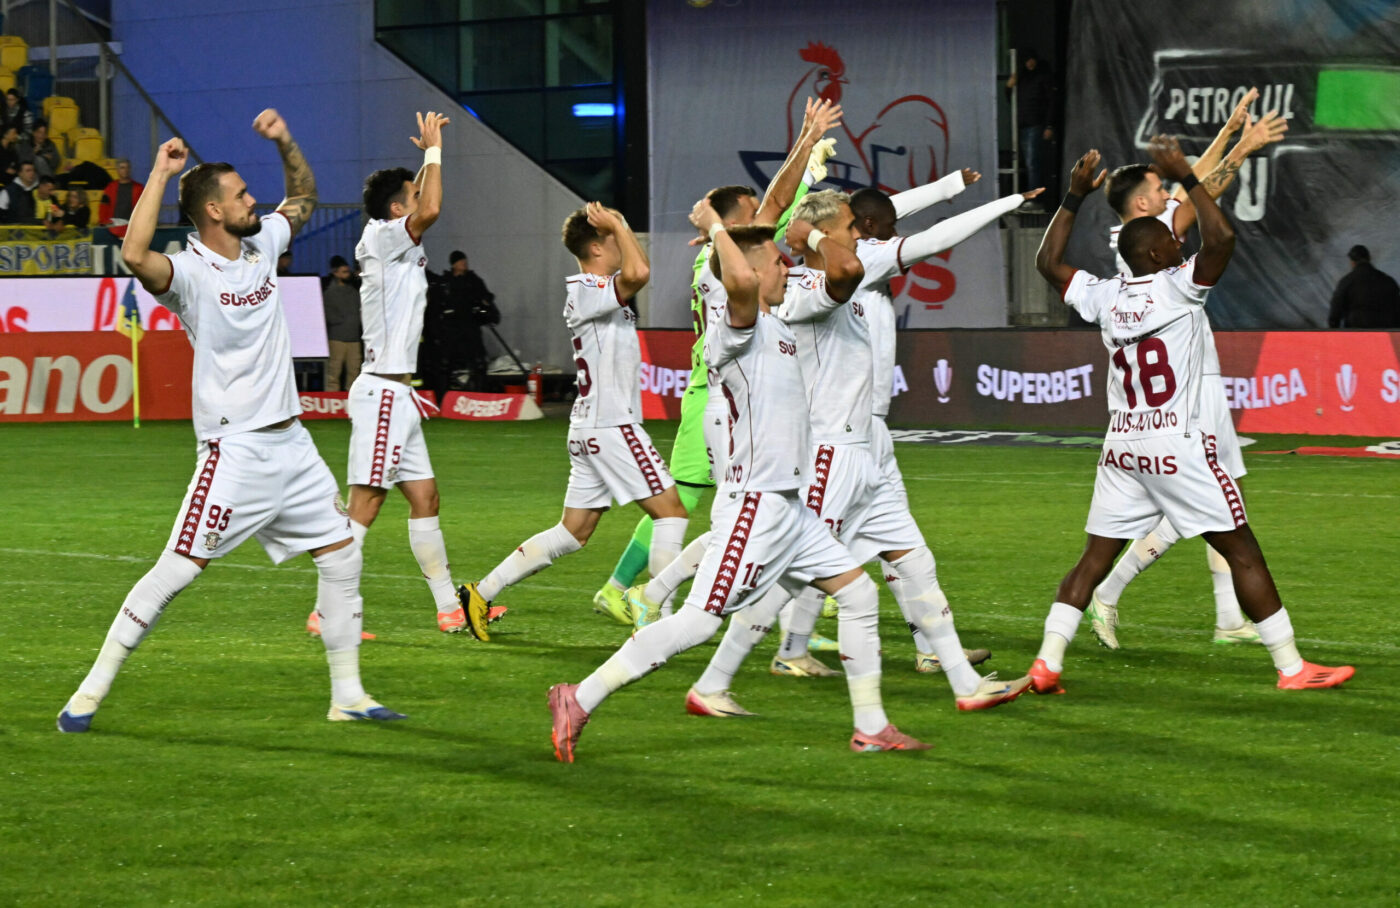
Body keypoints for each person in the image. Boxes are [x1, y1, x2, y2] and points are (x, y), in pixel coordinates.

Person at [57, 110, 405, 732]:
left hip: (292, 443)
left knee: (342, 554)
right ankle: (88, 692)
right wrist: (161, 173)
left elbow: (303, 197)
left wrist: (285, 140)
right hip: (234, 450)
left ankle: (349, 695)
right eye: (241, 195)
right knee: (177, 569)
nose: (253, 201)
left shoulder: (261, 243)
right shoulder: (188, 272)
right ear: (213, 211)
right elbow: (133, 252)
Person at [548, 209, 930, 763]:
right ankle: (579, 697)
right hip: (755, 505)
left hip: (790, 507)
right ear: (747, 273)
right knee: (697, 622)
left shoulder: (776, 321)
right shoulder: (735, 325)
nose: (787, 267)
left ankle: (872, 726)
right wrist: (718, 229)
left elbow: (783, 271)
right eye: (776, 262)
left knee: (858, 593)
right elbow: (744, 282)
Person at [684, 188, 1033, 720]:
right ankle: (717, 678)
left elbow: (857, 250)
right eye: (850, 227)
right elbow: (847, 264)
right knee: (787, 576)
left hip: (866, 450)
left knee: (914, 561)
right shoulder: (803, 288)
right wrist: (813, 236)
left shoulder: (830, 274)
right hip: (830, 452)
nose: (859, 236)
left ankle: (966, 685)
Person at [1026, 140, 1354, 696]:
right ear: (1156, 254)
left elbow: (1047, 263)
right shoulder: (1179, 289)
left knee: (1093, 560)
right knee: (1242, 550)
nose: (1180, 246)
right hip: (1176, 442)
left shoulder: (1104, 296)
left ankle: (1047, 663)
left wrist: (1074, 195)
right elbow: (1221, 239)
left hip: (1121, 446)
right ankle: (1292, 667)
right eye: (1172, 243)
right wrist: (1190, 179)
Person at [595, 97, 842, 629]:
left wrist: (805, 157)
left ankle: (789, 601)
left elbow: (779, 204)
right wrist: (805, 140)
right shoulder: (721, 257)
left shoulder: (725, 251)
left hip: (730, 392)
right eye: (751, 215)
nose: (762, 220)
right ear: (732, 222)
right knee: (692, 504)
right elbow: (778, 205)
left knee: (748, 503)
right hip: (717, 395)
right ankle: (641, 596)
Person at [1088, 88, 1288, 650]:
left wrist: (1229, 129)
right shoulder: (1145, 240)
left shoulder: (1143, 233)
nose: (1167, 191)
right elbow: (1202, 192)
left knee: (1223, 493)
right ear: (1142, 205)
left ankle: (1227, 618)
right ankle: (1110, 591)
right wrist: (1245, 146)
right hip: (1186, 387)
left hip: (1192, 372)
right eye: (1158, 189)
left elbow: (1192, 184)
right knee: (1208, 499)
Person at [457, 202, 689, 641]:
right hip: (611, 425)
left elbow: (636, 272)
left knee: (573, 532)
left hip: (591, 426)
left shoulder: (598, 289)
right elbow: (640, 272)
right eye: (614, 239)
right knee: (671, 513)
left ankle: (480, 593)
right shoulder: (588, 287)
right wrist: (618, 222)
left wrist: (617, 227)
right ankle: (661, 618)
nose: (623, 244)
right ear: (597, 247)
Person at [306, 111, 472, 636]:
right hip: (381, 392)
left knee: (425, 498)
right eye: (411, 195)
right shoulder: (381, 236)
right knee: (366, 504)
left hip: (399, 396)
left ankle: (449, 609)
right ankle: (326, 612)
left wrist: (423, 159)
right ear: (397, 209)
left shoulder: (396, 239)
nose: (420, 198)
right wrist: (435, 153)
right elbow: (432, 208)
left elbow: (421, 202)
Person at [1006, 50, 1055, 201]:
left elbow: (1051, 102)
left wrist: (1049, 125)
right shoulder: (1022, 78)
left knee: (1032, 163)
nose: (1030, 62)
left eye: (1032, 59)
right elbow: (1012, 100)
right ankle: (1033, 197)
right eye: (1027, 59)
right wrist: (1008, 87)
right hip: (1024, 125)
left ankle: (1035, 198)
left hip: (1036, 124)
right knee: (1029, 163)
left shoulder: (1042, 77)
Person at [447, 250, 500, 379]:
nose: (464, 263)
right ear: (454, 264)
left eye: (464, 261)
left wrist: (485, 304)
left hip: (471, 324)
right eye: (461, 261)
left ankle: (478, 381)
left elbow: (486, 296)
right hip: (453, 327)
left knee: (476, 356)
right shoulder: (447, 282)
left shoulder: (473, 280)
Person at [1328, 245, 1400, 329]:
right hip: (1385, 333)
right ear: (1369, 258)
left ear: (1352, 262)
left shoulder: (1346, 281)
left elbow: (1336, 308)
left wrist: (1334, 326)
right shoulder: (1388, 280)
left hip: (1357, 332)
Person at [322, 255, 362, 391]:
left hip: (354, 338)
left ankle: (352, 398)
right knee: (334, 371)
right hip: (337, 338)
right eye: (344, 272)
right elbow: (327, 313)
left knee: (354, 372)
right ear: (335, 273)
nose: (348, 274)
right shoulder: (329, 293)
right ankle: (332, 399)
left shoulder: (354, 291)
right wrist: (342, 320)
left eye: (348, 271)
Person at [99, 158, 146, 237]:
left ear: (130, 169)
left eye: (127, 167)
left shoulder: (139, 188)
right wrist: (105, 222)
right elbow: (103, 207)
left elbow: (144, 209)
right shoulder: (110, 188)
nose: (125, 170)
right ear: (117, 170)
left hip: (133, 226)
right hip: (113, 226)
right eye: (122, 168)